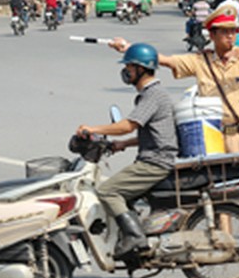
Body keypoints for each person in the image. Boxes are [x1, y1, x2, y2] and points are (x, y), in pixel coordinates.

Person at [118, 1, 239, 264]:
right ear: (213, 35)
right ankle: (223, 243)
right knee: (218, 193)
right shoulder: (201, 61)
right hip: (212, 135)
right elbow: (168, 60)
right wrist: (131, 50)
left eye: (233, 31)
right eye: (224, 32)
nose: (230, 36)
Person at [76, 42, 178, 258]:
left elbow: (127, 125)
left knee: (107, 191)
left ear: (141, 68)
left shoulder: (153, 95)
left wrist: (92, 128)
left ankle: (135, 237)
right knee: (123, 194)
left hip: (155, 163)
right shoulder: (153, 94)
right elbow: (150, 133)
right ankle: (135, 241)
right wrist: (122, 144)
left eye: (129, 67)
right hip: (156, 157)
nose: (126, 71)